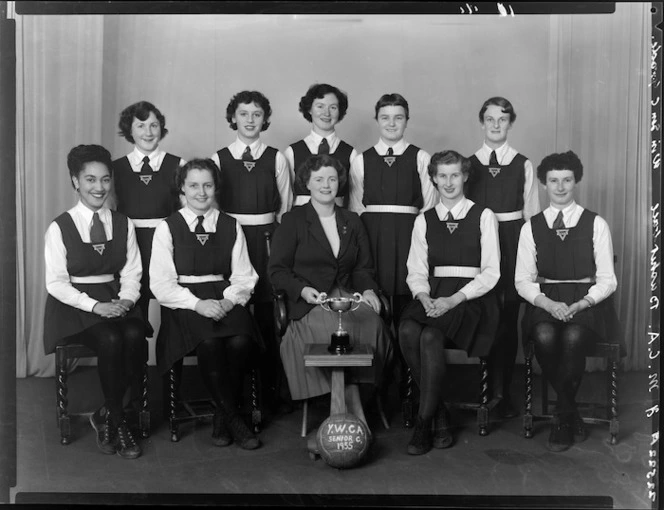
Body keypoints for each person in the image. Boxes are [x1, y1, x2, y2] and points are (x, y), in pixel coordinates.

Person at [268, 154, 393, 432]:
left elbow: (362, 267)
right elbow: (277, 271)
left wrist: (369, 290)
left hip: (348, 294)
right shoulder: (293, 221)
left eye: (332, 179)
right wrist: (303, 289)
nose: (326, 185)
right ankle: (341, 403)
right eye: (319, 179)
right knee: (337, 329)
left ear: (340, 183)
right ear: (307, 184)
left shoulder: (352, 220)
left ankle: (355, 397)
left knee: (372, 324)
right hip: (310, 300)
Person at [150, 158, 262, 450]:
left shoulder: (229, 224)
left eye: (208, 185)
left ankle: (222, 417)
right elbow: (162, 285)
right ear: (182, 189)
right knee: (210, 344)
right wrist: (198, 305)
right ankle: (234, 420)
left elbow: (243, 275)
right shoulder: (167, 227)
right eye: (194, 185)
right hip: (185, 303)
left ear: (216, 188)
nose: (201, 192)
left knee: (240, 342)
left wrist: (227, 301)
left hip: (224, 296)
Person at [44, 144, 146, 459]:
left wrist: (126, 301)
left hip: (115, 300)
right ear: (75, 181)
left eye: (104, 180)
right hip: (74, 308)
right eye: (90, 180)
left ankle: (105, 414)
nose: (98, 187)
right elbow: (56, 283)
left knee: (133, 334)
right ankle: (118, 423)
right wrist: (95, 306)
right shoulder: (60, 227)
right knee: (113, 337)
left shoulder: (123, 223)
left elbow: (132, 273)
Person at [515, 150, 620, 452]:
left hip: (588, 303)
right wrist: (547, 304)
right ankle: (570, 411)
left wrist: (583, 303)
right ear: (544, 185)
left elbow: (608, 280)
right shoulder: (530, 227)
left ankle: (562, 416)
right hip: (546, 300)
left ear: (576, 182)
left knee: (573, 336)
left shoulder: (596, 223)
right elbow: (522, 280)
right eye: (553, 181)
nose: (560, 187)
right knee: (545, 333)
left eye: (567, 180)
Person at [399, 150, 500, 455]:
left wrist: (454, 299)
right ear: (433, 178)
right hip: (434, 292)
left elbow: (492, 272)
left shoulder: (483, 215)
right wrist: (424, 296)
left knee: (430, 336)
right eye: (442, 175)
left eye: (455, 174)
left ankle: (422, 423)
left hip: (471, 297)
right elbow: (416, 269)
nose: (449, 182)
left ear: (465, 176)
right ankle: (439, 411)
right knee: (406, 330)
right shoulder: (424, 220)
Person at [349, 93, 438, 403]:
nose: (391, 123)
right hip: (373, 239)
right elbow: (357, 207)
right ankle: (378, 386)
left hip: (409, 236)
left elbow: (430, 206)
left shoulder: (421, 157)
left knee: (405, 309)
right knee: (376, 308)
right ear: (377, 120)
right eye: (385, 117)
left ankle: (409, 385)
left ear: (406, 121)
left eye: (398, 117)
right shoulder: (361, 160)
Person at [211, 90, 292, 414]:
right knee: (236, 315)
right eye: (243, 114)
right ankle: (238, 396)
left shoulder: (276, 157)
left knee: (269, 318)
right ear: (233, 118)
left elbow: (285, 207)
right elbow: (211, 206)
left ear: (265, 119)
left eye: (256, 114)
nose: (249, 120)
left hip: (266, 242)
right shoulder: (219, 158)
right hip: (232, 241)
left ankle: (270, 394)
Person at [466, 97, 540, 419]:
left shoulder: (523, 163)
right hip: (480, 243)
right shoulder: (469, 164)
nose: (496, 125)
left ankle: (502, 393)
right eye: (490, 119)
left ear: (511, 123)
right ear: (482, 122)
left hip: (510, 240)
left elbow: (532, 215)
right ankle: (485, 389)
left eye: (503, 119)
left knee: (508, 319)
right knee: (485, 315)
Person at [112, 101, 185, 339]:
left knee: (172, 303)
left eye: (154, 125)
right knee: (135, 306)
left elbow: (186, 213)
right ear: (129, 130)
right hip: (131, 244)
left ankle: (169, 368)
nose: (148, 132)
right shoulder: (117, 169)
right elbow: (111, 213)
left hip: (167, 243)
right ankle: (137, 370)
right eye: (141, 126)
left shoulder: (177, 165)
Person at [284, 83, 357, 208]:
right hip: (301, 222)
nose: (326, 113)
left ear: (340, 111)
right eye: (320, 106)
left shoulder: (351, 153)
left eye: (333, 107)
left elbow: (354, 201)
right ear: (309, 109)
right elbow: (286, 198)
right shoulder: (292, 152)